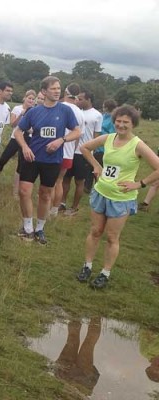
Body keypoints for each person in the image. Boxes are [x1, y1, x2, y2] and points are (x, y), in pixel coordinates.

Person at [75, 105, 159, 289]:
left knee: (112, 237)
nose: (120, 125)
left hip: (121, 198)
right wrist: (96, 166)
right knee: (95, 231)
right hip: (101, 192)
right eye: (118, 121)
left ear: (133, 124)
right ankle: (87, 266)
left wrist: (140, 184)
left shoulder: (138, 145)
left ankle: (105, 273)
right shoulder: (108, 138)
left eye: (125, 122)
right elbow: (84, 148)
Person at [14, 76, 81, 244]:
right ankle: (27, 227)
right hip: (32, 157)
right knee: (24, 191)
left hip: (52, 160)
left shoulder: (65, 111)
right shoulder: (34, 111)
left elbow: (77, 131)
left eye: (59, 88)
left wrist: (61, 140)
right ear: (43, 91)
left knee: (45, 194)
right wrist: (24, 147)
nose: (57, 91)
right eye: (53, 88)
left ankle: (40, 229)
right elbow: (17, 132)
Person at [60, 87, 102, 215]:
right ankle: (62, 203)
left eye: (81, 99)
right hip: (70, 151)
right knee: (65, 179)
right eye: (77, 98)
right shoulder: (77, 111)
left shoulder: (97, 115)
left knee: (79, 181)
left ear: (88, 100)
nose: (77, 100)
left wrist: (91, 153)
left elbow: (97, 136)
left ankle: (74, 207)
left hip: (83, 153)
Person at [0, 90, 36, 195]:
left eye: (33, 99)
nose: (31, 100)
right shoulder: (17, 109)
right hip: (14, 138)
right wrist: (21, 114)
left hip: (27, 139)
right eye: (29, 98)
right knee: (3, 159)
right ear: (24, 98)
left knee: (21, 164)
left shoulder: (34, 111)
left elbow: (33, 128)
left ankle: (16, 190)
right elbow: (12, 124)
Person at [50, 83, 84, 217]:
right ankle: (54, 210)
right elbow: (78, 136)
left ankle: (47, 209)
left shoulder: (58, 107)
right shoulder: (80, 113)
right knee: (59, 181)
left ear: (65, 92)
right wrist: (72, 151)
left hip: (53, 150)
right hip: (69, 153)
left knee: (50, 183)